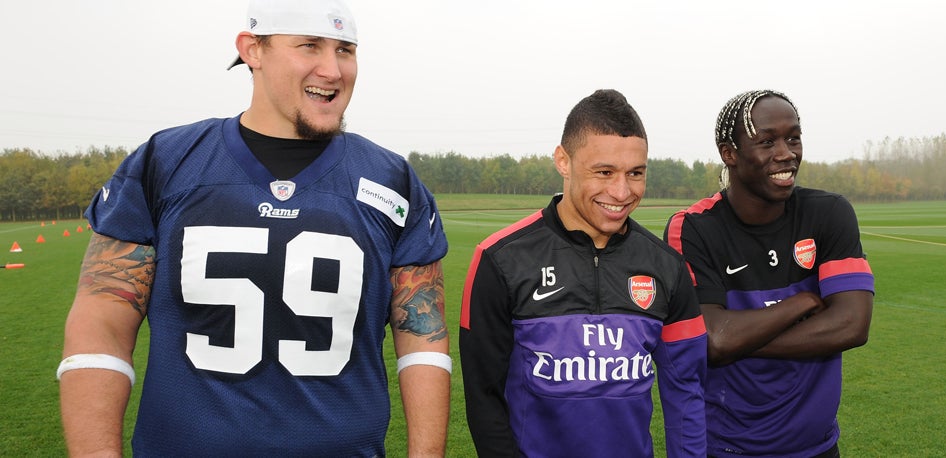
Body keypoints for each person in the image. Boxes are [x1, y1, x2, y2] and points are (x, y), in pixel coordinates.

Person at [57, 0, 451, 455]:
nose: (333, 70)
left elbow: (422, 337)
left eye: (345, 50)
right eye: (310, 46)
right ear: (252, 50)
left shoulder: (392, 179)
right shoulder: (167, 162)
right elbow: (101, 323)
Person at [460, 89, 708, 457]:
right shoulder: (500, 260)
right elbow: (484, 400)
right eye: (604, 172)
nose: (621, 192)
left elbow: (686, 391)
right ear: (563, 161)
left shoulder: (666, 266)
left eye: (636, 173)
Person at [664, 89, 874, 457]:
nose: (786, 153)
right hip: (728, 449)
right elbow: (713, 341)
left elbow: (852, 325)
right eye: (767, 141)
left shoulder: (828, 213)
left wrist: (738, 339)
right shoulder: (694, 228)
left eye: (793, 138)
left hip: (818, 448)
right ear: (729, 153)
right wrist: (802, 303)